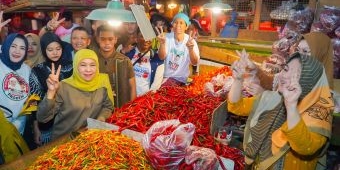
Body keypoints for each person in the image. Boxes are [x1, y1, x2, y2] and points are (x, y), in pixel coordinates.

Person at [228, 51, 333, 169]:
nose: (284, 76)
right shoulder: (274, 98)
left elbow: (305, 147)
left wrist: (291, 107)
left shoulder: (318, 115)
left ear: (307, 81)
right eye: (286, 69)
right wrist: (238, 79)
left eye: (296, 74)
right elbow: (236, 106)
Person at [36, 49, 114, 141]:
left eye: (92, 65)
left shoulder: (102, 83)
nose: (88, 69)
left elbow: (108, 106)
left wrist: (101, 118)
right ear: (76, 66)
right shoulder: (64, 87)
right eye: (83, 65)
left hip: (90, 139)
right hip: (64, 141)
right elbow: (42, 118)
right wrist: (51, 92)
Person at [29, 32, 73, 145]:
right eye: (50, 49)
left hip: (70, 121)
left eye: (58, 48)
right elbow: (34, 102)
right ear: (44, 50)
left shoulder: (71, 66)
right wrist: (36, 128)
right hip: (47, 124)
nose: (55, 52)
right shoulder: (37, 71)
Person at [95, 25, 136, 108]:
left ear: (115, 39)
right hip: (97, 106)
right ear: (98, 39)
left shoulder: (124, 60)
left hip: (120, 106)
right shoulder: (92, 59)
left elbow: (132, 87)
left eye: (110, 39)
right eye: (103, 39)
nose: (107, 43)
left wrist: (131, 108)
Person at [0, 33, 30, 135]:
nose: (17, 51)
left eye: (22, 48)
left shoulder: (26, 69)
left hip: (19, 129)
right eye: (13, 46)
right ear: (6, 46)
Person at [156, 13, 200, 84]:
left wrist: (191, 49)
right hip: (166, 78)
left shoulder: (191, 41)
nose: (178, 25)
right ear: (172, 25)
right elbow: (161, 57)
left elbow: (195, 63)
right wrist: (162, 44)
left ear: (186, 27)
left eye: (181, 23)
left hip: (182, 80)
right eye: (175, 22)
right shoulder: (166, 38)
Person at [124, 29, 164, 96]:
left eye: (149, 37)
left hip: (144, 100)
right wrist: (122, 52)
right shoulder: (128, 54)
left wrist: (146, 100)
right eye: (143, 36)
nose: (147, 40)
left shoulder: (157, 59)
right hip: (127, 96)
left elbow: (156, 85)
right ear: (136, 39)